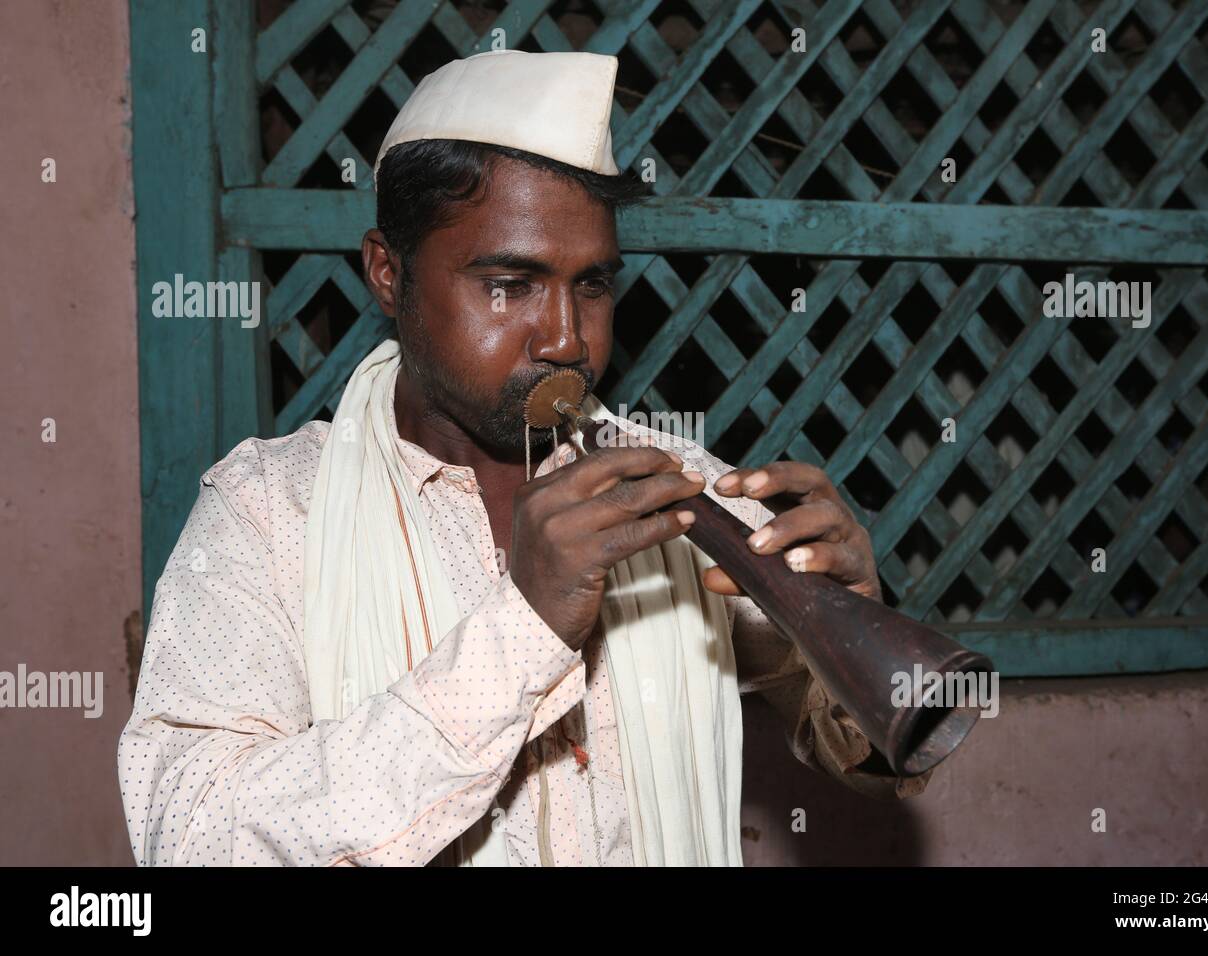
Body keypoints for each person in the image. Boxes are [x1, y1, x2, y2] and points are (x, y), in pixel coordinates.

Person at [118, 50, 929, 867]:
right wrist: (524, 628)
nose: (567, 339)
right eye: (510, 284)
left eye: (594, 286)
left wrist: (851, 632)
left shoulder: (674, 485)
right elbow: (188, 837)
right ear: (388, 274)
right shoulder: (267, 513)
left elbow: (862, 745)